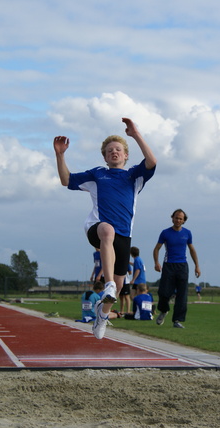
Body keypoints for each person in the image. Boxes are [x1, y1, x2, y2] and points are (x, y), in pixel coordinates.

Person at [54, 118, 156, 339]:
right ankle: (108, 283)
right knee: (107, 231)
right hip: (97, 227)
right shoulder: (97, 174)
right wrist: (60, 155)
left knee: (118, 289)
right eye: (109, 150)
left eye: (118, 149)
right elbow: (66, 180)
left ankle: (102, 315)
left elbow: (152, 161)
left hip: (123, 235)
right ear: (104, 156)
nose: (114, 152)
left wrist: (136, 134)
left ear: (126, 155)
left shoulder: (134, 176)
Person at [153, 209, 201, 329]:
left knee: (182, 294)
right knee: (164, 293)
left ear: (184, 220)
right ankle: (163, 311)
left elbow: (192, 250)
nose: (178, 220)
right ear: (172, 218)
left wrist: (197, 266)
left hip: (182, 266)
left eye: (181, 218)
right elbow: (156, 249)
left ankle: (177, 320)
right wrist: (156, 263)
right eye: (176, 217)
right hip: (168, 265)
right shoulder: (165, 233)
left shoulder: (187, 233)